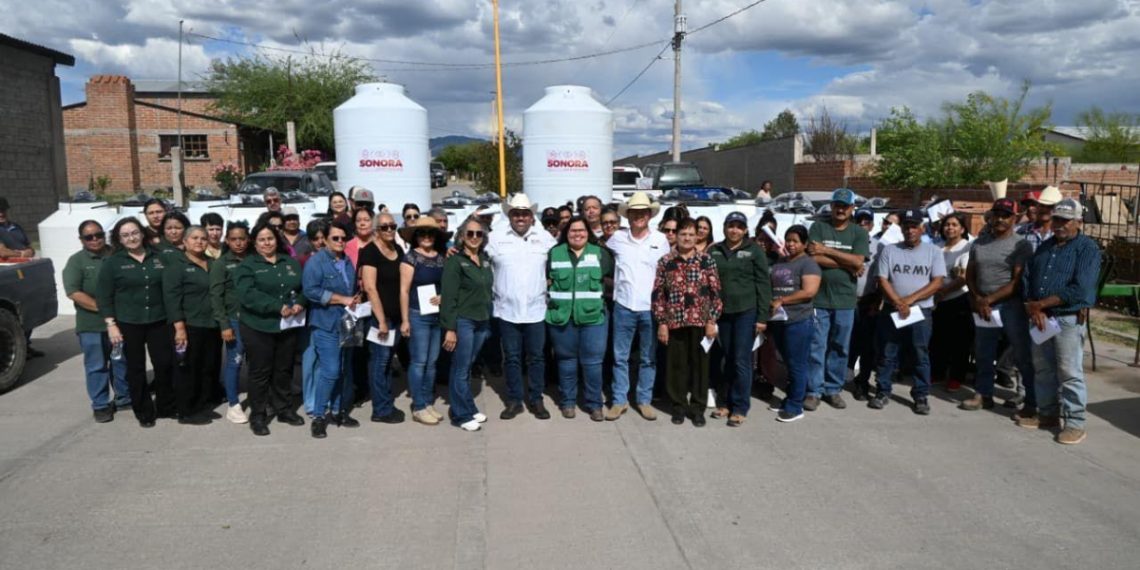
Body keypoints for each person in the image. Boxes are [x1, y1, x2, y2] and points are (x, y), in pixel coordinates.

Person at [1019, 199, 1101, 444]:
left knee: (1069, 372)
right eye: (1057, 219)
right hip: (1041, 318)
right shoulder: (1046, 246)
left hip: (1067, 319)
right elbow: (1027, 277)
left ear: (1078, 222)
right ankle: (1048, 414)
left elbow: (1081, 289)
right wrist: (1033, 305)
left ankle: (1075, 423)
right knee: (1043, 368)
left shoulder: (1087, 249)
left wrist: (1041, 304)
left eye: (1065, 220)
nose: (1059, 225)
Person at [96, 217, 175, 428]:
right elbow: (104, 296)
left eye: (134, 233)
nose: (131, 238)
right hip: (129, 322)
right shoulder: (112, 263)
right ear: (119, 239)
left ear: (142, 233)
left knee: (164, 363)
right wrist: (111, 324)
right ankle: (144, 411)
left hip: (159, 320)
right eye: (125, 235)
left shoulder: (159, 257)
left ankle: (166, 405)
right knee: (135, 368)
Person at [960, 198, 1036, 414]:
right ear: (991, 217)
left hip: (1010, 305)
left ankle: (1030, 399)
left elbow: (1017, 281)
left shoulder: (1021, 245)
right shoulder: (979, 243)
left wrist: (988, 300)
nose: (1001, 219)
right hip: (983, 305)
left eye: (1006, 216)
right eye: (997, 215)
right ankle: (983, 394)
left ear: (1014, 219)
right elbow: (970, 274)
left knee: (1021, 354)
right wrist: (978, 298)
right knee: (984, 352)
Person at [485, 194, 556, 420]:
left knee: (536, 358)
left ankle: (536, 399)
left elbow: (557, 264)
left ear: (531, 216)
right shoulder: (495, 238)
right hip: (507, 310)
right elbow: (474, 255)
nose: (521, 218)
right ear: (509, 215)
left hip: (536, 310)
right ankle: (514, 400)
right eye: (516, 213)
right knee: (512, 358)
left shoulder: (544, 238)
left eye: (525, 213)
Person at [867, 210, 946, 414]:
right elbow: (882, 279)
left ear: (922, 228)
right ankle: (883, 391)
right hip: (892, 309)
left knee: (920, 353)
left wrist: (908, 301)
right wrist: (897, 301)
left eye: (914, 226)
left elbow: (937, 282)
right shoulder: (890, 250)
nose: (910, 230)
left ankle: (921, 395)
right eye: (906, 226)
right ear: (901, 228)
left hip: (920, 311)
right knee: (887, 352)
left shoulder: (933, 251)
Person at [233, 222, 307, 436]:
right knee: (260, 372)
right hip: (258, 326)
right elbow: (247, 295)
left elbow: (303, 287)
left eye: (270, 238)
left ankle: (284, 409)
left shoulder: (290, 262)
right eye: (262, 240)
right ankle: (258, 415)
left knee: (283, 369)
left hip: (287, 326)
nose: (267, 243)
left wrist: (300, 302)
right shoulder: (247, 266)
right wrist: (276, 306)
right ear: (254, 243)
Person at [652, 217, 723, 426]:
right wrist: (662, 322)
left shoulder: (706, 260)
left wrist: (711, 320)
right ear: (676, 236)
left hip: (700, 321)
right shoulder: (665, 262)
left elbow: (716, 292)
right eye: (683, 234)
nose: (687, 238)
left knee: (700, 366)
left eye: (691, 234)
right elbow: (658, 294)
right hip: (675, 322)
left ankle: (698, 408)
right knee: (677, 366)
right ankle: (678, 406)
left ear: (697, 237)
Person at [606, 192, 670, 421]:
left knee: (648, 358)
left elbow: (666, 274)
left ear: (649, 215)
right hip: (624, 305)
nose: (639, 216)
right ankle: (619, 400)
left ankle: (644, 400)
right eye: (634, 212)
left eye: (643, 212)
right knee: (619, 357)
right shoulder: (617, 238)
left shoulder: (660, 240)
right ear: (628, 215)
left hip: (650, 307)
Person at [805, 188, 870, 411]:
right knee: (817, 346)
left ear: (852, 208)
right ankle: (814, 390)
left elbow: (859, 261)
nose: (840, 209)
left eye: (845, 206)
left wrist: (827, 250)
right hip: (819, 298)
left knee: (840, 347)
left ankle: (833, 389)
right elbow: (814, 257)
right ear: (832, 206)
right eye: (837, 205)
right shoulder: (818, 227)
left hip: (845, 301)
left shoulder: (858, 233)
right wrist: (848, 264)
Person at [546, 216, 613, 421]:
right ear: (566, 233)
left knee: (593, 363)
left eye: (581, 230)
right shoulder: (554, 253)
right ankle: (567, 402)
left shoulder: (600, 253)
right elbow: (546, 279)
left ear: (588, 232)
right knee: (566, 361)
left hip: (593, 318)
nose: (577, 234)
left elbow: (612, 278)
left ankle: (594, 405)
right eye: (573, 230)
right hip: (562, 317)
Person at [708, 212, 770, 426]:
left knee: (741, 360)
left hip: (746, 312)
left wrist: (762, 317)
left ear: (745, 230)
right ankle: (724, 403)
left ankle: (740, 406)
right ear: (724, 227)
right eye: (731, 226)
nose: (734, 230)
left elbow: (763, 284)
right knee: (726, 358)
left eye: (739, 227)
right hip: (723, 313)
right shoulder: (715, 250)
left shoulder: (754, 251)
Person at [63, 220, 129, 422]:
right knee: (96, 365)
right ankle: (100, 405)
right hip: (91, 325)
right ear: (81, 239)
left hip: (121, 322)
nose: (95, 239)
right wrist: (105, 310)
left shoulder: (118, 255)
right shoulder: (77, 261)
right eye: (89, 237)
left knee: (120, 361)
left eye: (98, 235)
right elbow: (73, 292)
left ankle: (124, 397)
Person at [302, 220, 361, 438]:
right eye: (335, 238)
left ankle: (338, 411)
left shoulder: (346, 260)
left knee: (344, 369)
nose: (340, 241)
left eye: (343, 238)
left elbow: (351, 288)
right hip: (325, 323)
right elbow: (310, 290)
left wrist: (355, 297)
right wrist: (341, 299)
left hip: (348, 321)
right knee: (331, 370)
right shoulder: (316, 262)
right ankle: (319, 416)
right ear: (325, 239)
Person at [440, 218, 494, 432]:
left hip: (482, 320)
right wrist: (450, 329)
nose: (474, 237)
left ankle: (468, 407)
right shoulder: (455, 261)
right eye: (469, 233)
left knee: (467, 366)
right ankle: (460, 415)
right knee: (460, 368)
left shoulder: (484, 258)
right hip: (464, 321)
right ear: (462, 236)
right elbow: (449, 297)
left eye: (478, 233)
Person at [162, 226, 219, 425]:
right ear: (185, 242)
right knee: (187, 368)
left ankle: (201, 404)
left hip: (211, 324)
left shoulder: (212, 263)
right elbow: (172, 299)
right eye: (194, 238)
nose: (199, 242)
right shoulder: (176, 266)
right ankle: (185, 410)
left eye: (203, 238)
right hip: (189, 325)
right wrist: (179, 328)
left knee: (207, 366)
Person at [767, 225, 822, 422]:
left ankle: (796, 405)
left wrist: (782, 300)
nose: (791, 244)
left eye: (795, 241)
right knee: (788, 362)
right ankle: (790, 398)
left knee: (797, 364)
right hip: (779, 320)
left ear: (805, 244)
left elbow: (809, 291)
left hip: (798, 320)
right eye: (788, 240)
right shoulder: (781, 261)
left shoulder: (809, 264)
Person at [399, 217, 449, 425]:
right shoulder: (410, 258)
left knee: (432, 362)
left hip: (436, 315)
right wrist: (405, 320)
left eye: (430, 233)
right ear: (415, 236)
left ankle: (428, 402)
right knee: (419, 361)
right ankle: (418, 406)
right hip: (417, 314)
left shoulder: (442, 257)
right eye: (422, 233)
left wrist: (443, 296)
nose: (427, 237)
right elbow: (403, 290)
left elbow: (447, 284)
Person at [359, 212, 406, 424]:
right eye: (384, 227)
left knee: (386, 362)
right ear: (376, 230)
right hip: (380, 318)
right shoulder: (370, 252)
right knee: (379, 362)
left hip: (395, 317)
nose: (389, 230)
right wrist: (381, 321)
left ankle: (386, 402)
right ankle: (381, 409)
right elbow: (370, 288)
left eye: (392, 226)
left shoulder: (397, 249)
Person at [209, 222, 250, 424]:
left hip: (255, 319)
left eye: (242, 238)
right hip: (234, 320)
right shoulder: (221, 264)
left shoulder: (254, 259)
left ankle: (260, 398)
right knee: (235, 360)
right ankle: (234, 404)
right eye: (234, 239)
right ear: (227, 240)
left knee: (257, 362)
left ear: (248, 239)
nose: (238, 243)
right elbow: (216, 296)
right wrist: (224, 324)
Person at [930, 212, 972, 392]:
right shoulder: (937, 247)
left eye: (955, 225)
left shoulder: (967, 247)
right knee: (938, 338)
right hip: (936, 299)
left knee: (959, 341)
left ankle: (956, 376)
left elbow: (963, 277)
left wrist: (943, 292)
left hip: (958, 298)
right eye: (947, 225)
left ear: (962, 229)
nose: (950, 228)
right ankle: (937, 372)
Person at [848, 208, 881, 400]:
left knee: (867, 346)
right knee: (844, 342)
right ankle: (840, 377)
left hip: (868, 301)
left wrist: (877, 301)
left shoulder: (880, 247)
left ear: (872, 225)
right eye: (859, 221)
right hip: (845, 300)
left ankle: (862, 382)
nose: (862, 225)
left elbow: (883, 277)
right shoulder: (846, 243)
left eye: (866, 222)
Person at [1017, 185, 1061, 253]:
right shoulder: (1021, 230)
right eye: (1042, 205)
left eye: (1050, 206)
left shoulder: (1060, 233)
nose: (1044, 209)